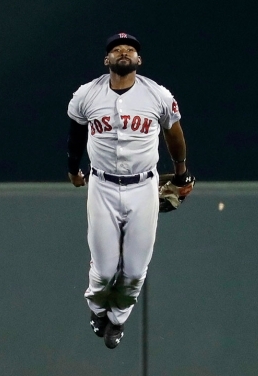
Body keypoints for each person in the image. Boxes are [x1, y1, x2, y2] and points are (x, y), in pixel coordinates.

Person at [65, 32, 193, 349]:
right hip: (102, 186)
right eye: (117, 49)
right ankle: (98, 311)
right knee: (105, 267)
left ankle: (118, 319)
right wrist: (72, 168)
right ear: (107, 60)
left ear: (139, 60)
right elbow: (76, 134)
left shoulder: (158, 95)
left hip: (144, 186)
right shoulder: (86, 94)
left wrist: (182, 173)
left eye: (131, 48)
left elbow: (174, 133)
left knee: (135, 268)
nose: (124, 51)